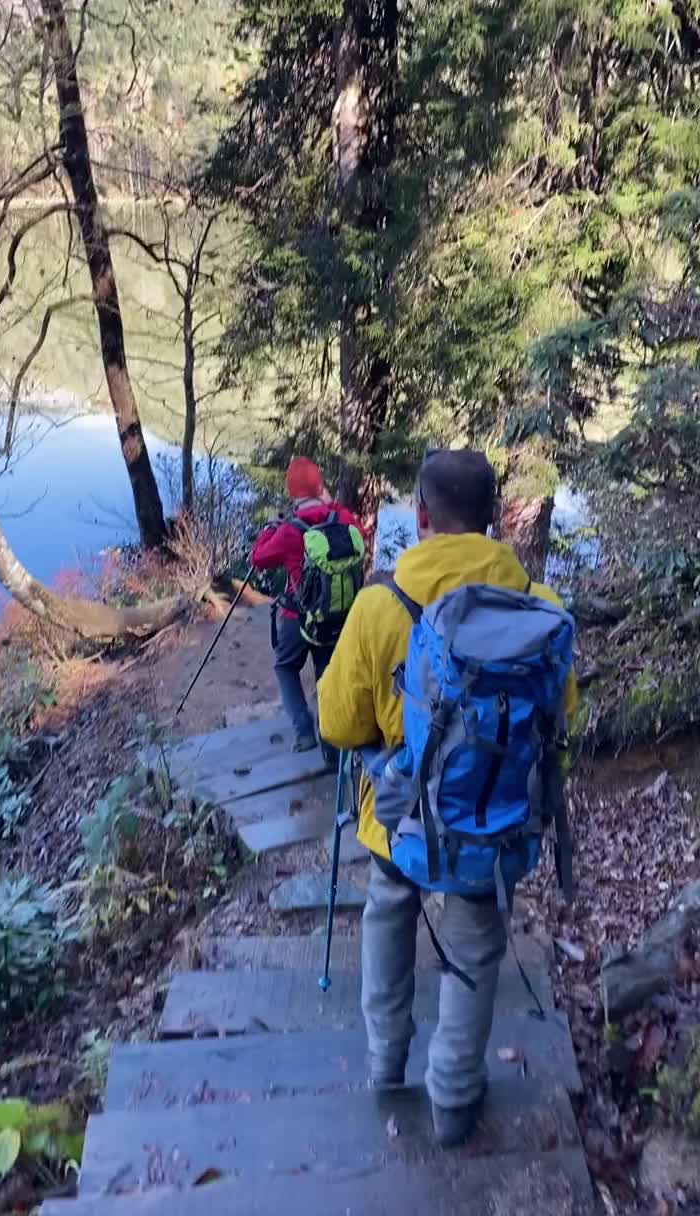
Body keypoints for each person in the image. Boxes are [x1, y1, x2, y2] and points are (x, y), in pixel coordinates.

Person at [317, 449, 577, 1147]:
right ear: (495, 517)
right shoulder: (541, 609)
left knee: (389, 911)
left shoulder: (381, 603)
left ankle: (384, 1064)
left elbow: (338, 724)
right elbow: (562, 716)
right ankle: (455, 1100)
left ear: (422, 516)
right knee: (474, 944)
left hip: (401, 822)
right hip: (489, 826)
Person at [251, 456, 364, 754]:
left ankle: (304, 731)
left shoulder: (289, 531)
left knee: (286, 666)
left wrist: (270, 529)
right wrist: (332, 503)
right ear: (319, 487)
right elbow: (359, 531)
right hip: (336, 615)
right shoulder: (341, 520)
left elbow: (259, 558)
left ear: (292, 493)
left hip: (297, 618)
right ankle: (331, 746)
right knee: (326, 674)